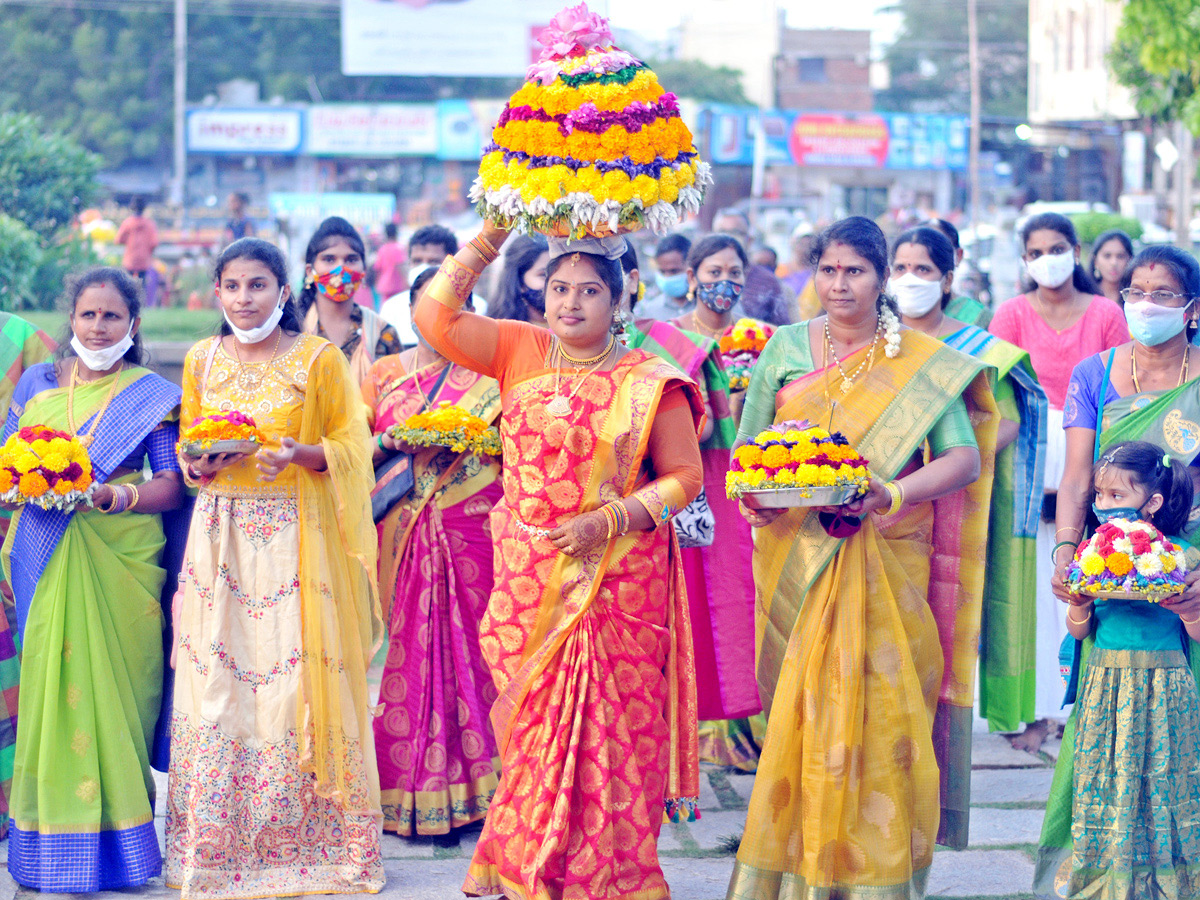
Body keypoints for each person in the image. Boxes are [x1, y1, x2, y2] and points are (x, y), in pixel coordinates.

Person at [413, 223, 704, 900]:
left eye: (590, 290)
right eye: (558, 287)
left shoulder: (648, 378)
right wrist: (494, 230)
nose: (569, 302)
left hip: (615, 581)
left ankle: (610, 874)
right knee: (532, 730)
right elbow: (434, 315)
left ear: (622, 297)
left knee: (608, 734)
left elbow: (684, 477)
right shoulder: (520, 346)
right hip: (526, 576)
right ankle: (523, 867)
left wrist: (611, 519)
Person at [726, 217, 998, 899]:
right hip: (799, 554)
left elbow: (963, 458)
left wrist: (891, 491)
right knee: (803, 707)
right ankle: (797, 868)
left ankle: (875, 876)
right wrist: (755, 500)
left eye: (855, 271)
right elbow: (748, 451)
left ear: (881, 280)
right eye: (828, 270)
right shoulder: (786, 346)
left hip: (889, 551)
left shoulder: (919, 357)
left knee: (885, 709)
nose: (839, 284)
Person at [166, 238, 384, 897]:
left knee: (294, 687)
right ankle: (215, 847)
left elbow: (353, 445)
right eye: (231, 286)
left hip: (296, 539)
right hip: (220, 538)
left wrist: (300, 454)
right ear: (217, 291)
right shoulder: (202, 358)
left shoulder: (317, 359)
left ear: (284, 292)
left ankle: (314, 844)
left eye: (257, 285)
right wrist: (195, 464)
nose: (243, 298)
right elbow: (192, 447)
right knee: (215, 687)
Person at [3, 267, 184, 891]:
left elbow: (171, 485)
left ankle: (125, 851)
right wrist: (31, 480)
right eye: (88, 315)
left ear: (133, 324)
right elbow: (5, 466)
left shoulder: (151, 394)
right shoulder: (37, 384)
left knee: (124, 698)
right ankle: (49, 851)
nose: (99, 326)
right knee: (53, 696)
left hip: (122, 561)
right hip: (45, 556)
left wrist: (108, 495)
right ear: (71, 321)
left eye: (112, 316)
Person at [363, 266, 503, 836]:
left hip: (474, 531)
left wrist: (476, 440)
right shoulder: (384, 374)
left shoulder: (493, 378)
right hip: (400, 533)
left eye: (457, 307)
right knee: (406, 658)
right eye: (429, 307)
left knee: (477, 655)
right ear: (412, 311)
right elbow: (351, 449)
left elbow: (512, 453)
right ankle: (407, 791)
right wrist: (388, 441)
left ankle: (483, 792)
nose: (442, 319)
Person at [892, 226, 1048, 735]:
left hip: (962, 496)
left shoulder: (978, 348)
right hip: (889, 499)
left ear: (947, 279)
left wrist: (946, 455)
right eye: (899, 269)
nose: (909, 280)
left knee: (955, 605)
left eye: (923, 271)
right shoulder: (874, 345)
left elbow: (1008, 421)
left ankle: (947, 727)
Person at [1036, 441, 1200, 898]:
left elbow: (1197, 634)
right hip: (1106, 683)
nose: (1104, 507)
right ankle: (1108, 873)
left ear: (1152, 503)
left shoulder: (1181, 557)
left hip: (1166, 683)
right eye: (1100, 496)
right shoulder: (1092, 554)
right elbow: (1081, 630)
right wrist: (1079, 603)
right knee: (1106, 774)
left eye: (1116, 497)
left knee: (1163, 778)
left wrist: (1187, 609)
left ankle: (1164, 876)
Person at [989, 211, 1128, 752]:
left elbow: (1120, 388)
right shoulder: (1012, 313)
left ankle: (1082, 704)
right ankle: (1032, 710)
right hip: (1024, 449)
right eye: (1036, 251)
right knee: (1029, 583)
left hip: (1090, 447)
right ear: (1025, 260)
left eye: (1057, 247)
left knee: (1086, 579)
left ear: (1075, 251)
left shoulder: (1104, 314)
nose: (1048, 258)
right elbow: (996, 388)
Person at [619, 244, 762, 769]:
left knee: (715, 605)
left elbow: (704, 427)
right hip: (615, 501)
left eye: (733, 272)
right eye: (712, 273)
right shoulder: (662, 335)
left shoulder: (716, 344)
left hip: (699, 492)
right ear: (691, 278)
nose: (722, 283)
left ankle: (721, 734)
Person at [299, 216, 401, 385]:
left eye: (351, 259)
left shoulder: (382, 334)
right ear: (310, 271)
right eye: (329, 259)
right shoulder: (291, 329)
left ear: (363, 270)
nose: (341, 269)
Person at [711, 208, 792, 326]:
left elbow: (782, 333)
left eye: (735, 232)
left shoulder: (767, 281)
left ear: (749, 240)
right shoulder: (700, 276)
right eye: (722, 232)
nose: (727, 238)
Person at [925, 218, 990, 327]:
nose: (928, 258)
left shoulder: (978, 317)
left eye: (939, 251)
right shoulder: (895, 317)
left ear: (958, 256)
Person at [487, 234, 549, 324]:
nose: (554, 283)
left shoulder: (572, 332)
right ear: (519, 281)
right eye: (544, 275)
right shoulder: (497, 331)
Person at [636, 232, 694, 321]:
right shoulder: (651, 312)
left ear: (691, 267)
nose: (667, 277)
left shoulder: (706, 307)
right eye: (662, 271)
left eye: (674, 271)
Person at [1086, 229, 1134, 306]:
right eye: (1107, 256)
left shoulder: (1136, 298)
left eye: (1120, 256)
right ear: (1095, 261)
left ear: (1130, 260)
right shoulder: (1084, 296)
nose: (1113, 263)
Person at [782, 227, 819, 321]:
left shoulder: (816, 274)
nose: (805, 249)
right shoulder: (782, 269)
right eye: (802, 244)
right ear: (794, 245)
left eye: (809, 245)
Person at [116, 198, 158, 282]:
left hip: (129, 260)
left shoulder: (127, 223)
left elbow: (118, 240)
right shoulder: (149, 224)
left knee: (127, 285)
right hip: (144, 261)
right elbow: (154, 243)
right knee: (141, 286)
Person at [373, 222, 408, 300]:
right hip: (397, 287)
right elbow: (401, 267)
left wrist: (377, 283)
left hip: (384, 286)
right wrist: (406, 282)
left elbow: (378, 268)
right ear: (396, 233)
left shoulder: (382, 249)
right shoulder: (398, 248)